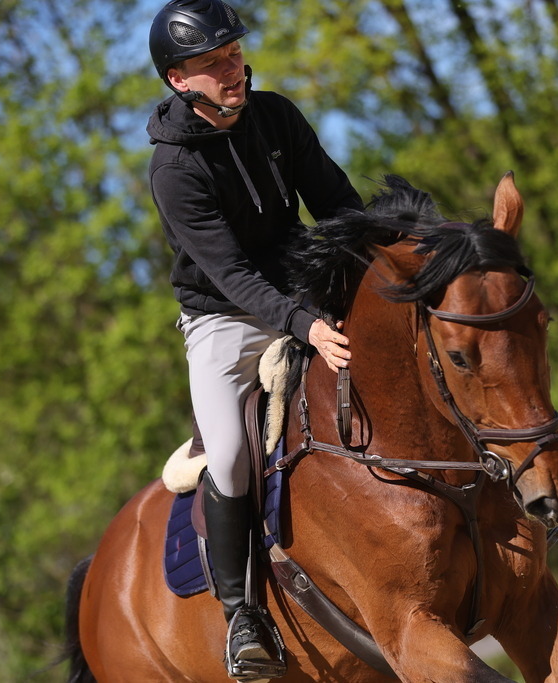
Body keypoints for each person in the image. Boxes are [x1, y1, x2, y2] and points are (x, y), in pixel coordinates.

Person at [147, 0, 362, 675]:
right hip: (223, 317)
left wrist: (393, 254)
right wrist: (307, 326)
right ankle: (242, 614)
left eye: (234, 53)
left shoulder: (276, 115)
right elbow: (234, 276)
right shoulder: (173, 172)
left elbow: (336, 202)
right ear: (180, 80)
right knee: (234, 454)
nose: (232, 68)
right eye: (213, 63)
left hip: (302, 284)